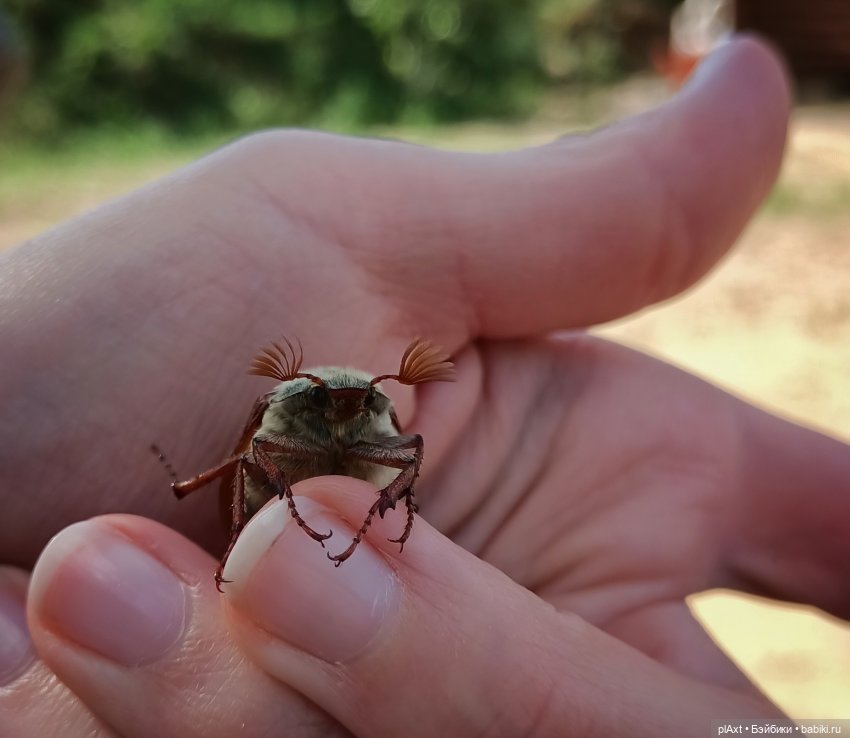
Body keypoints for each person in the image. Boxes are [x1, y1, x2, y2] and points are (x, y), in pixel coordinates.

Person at [1, 36, 846, 737]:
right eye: (330, 400)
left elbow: (402, 447)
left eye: (356, 401)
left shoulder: (375, 413)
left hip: (324, 528)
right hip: (261, 498)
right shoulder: (287, 408)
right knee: (261, 474)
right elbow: (260, 448)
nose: (345, 410)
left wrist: (389, 512)